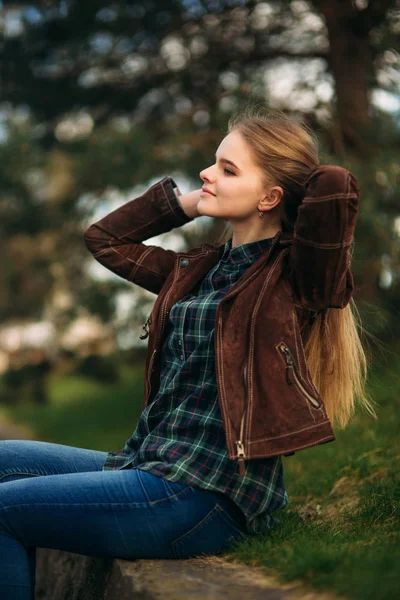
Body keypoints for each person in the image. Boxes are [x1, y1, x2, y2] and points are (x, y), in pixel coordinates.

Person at [0, 108, 376, 599]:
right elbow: (105, 240)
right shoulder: (197, 270)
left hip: (204, 496)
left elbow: (335, 187)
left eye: (228, 168)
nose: (207, 173)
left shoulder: (290, 282)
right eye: (213, 162)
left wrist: (293, 168)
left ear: (270, 197)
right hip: (149, 466)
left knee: (5, 512)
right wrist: (189, 204)